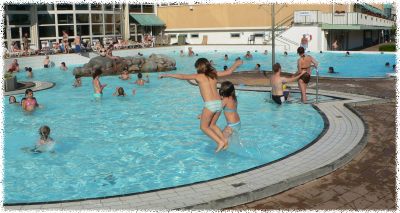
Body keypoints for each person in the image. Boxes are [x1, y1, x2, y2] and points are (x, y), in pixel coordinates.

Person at [159, 58, 243, 152]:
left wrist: (167, 75)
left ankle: (220, 142)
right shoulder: (214, 74)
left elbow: (182, 76)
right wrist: (237, 63)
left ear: (198, 67)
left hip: (210, 105)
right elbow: (229, 72)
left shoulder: (198, 76)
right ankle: (224, 141)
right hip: (219, 103)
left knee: (203, 127)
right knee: (212, 125)